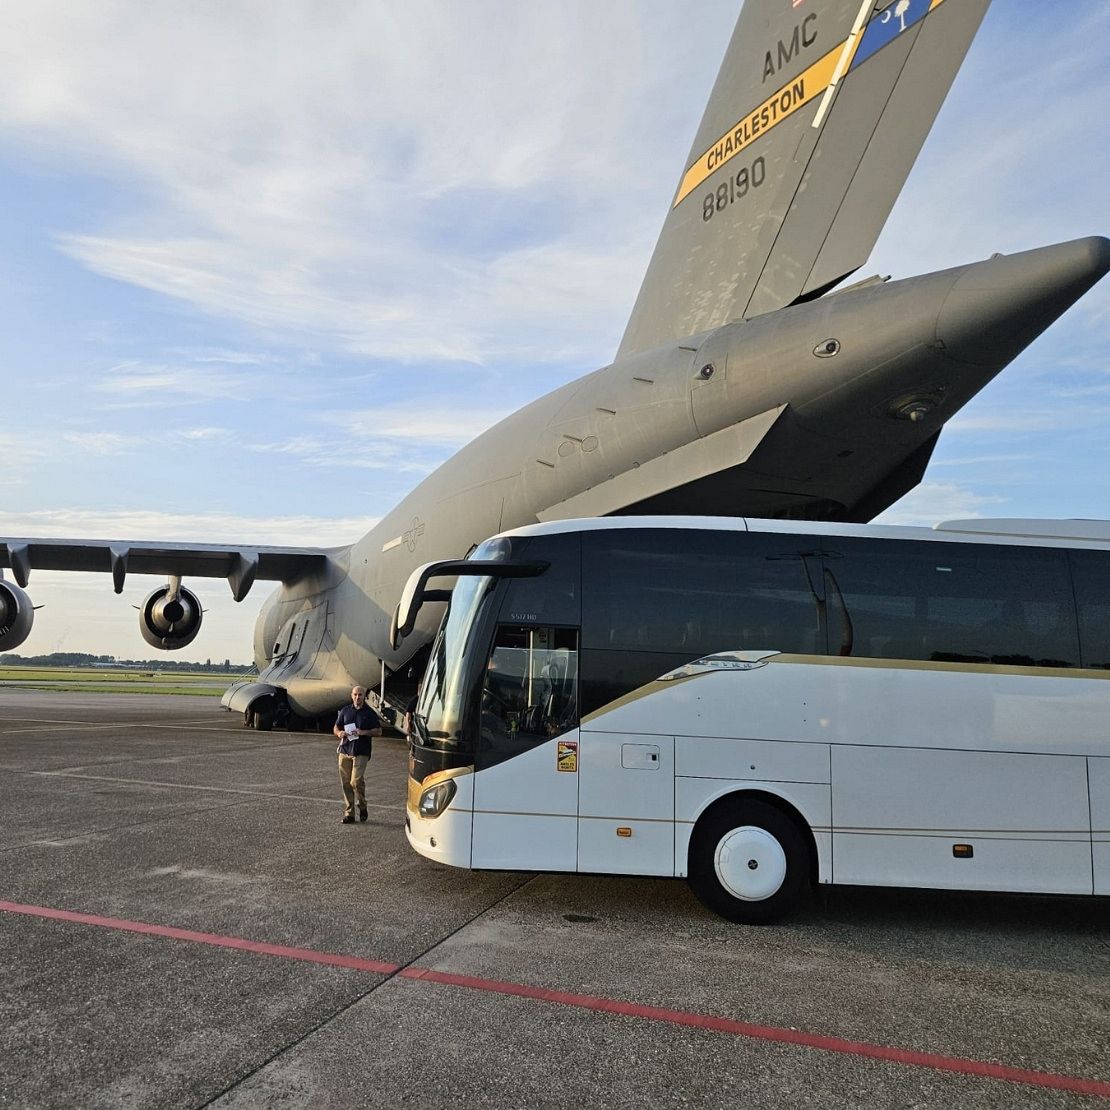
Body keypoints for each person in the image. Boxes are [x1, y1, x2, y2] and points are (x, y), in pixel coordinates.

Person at [333, 685, 382, 825]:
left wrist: (364, 732)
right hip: (345, 750)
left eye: (360, 695)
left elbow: (379, 731)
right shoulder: (345, 711)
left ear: (364, 696)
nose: (357, 697)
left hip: (361, 751)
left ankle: (362, 805)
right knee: (345, 783)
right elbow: (337, 726)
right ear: (351, 695)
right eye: (355, 694)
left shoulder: (370, 713)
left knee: (356, 781)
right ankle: (349, 813)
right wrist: (339, 733)